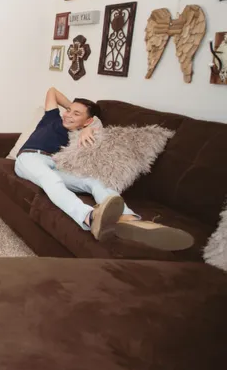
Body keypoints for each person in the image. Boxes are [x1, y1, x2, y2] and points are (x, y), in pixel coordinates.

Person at [14, 87, 193, 250]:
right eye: (68, 111)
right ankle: (89, 217)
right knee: (51, 180)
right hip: (30, 157)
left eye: (76, 114)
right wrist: (74, 111)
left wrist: (87, 128)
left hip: (58, 164)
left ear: (88, 121)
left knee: (93, 182)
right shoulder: (52, 117)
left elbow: (97, 128)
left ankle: (129, 219)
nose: (67, 115)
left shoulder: (82, 133)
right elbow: (52, 91)